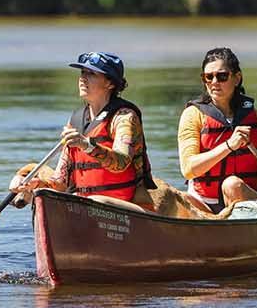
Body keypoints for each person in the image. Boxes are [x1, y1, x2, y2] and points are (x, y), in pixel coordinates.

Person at [11, 51, 159, 210]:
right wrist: (36, 184)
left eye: (92, 74)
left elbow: (121, 163)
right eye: (82, 72)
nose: (83, 78)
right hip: (86, 205)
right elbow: (61, 183)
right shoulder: (75, 121)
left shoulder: (124, 117)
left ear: (110, 83)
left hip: (124, 204)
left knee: (98, 202)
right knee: (44, 193)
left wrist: (86, 145)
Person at [177, 46, 257, 217]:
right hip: (205, 203)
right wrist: (229, 146)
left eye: (222, 76)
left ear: (237, 78)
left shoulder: (255, 117)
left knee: (232, 185)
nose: (214, 82)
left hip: (244, 198)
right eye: (208, 77)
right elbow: (188, 169)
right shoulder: (192, 115)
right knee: (176, 198)